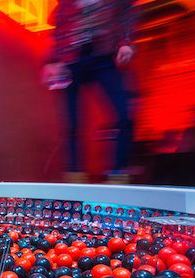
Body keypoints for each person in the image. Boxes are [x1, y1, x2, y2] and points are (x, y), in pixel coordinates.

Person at [41, 0, 136, 183]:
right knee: (71, 123)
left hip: (102, 57)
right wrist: (52, 61)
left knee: (124, 114)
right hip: (71, 60)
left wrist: (126, 42)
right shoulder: (66, 4)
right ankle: (74, 176)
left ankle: (118, 174)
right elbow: (60, 27)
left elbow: (126, 11)